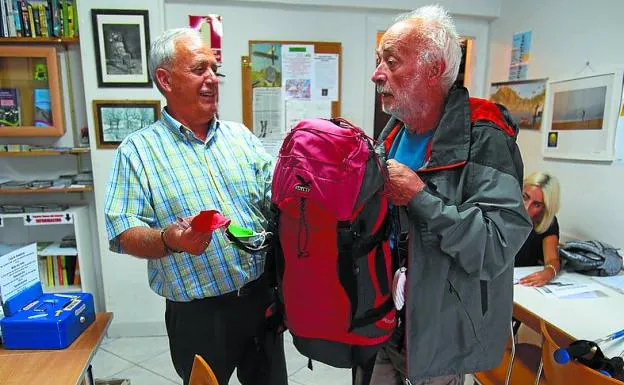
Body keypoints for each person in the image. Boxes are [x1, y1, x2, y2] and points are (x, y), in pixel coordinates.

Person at [104, 28, 286, 385]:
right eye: (199, 69)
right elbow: (124, 233)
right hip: (199, 317)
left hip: (260, 299)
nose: (212, 79)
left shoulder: (241, 137)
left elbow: (274, 199)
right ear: (165, 79)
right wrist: (170, 240)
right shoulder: (137, 151)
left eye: (215, 70)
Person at [368, 5, 533, 385]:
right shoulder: (391, 134)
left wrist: (419, 196)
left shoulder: (485, 136)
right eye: (379, 61)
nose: (377, 74)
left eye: (391, 62)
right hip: (383, 326)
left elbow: (494, 246)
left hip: (438, 342)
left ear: (434, 68)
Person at [515, 172, 561, 286]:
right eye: (525, 197)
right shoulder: (501, 211)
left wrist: (549, 272)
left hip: (521, 284)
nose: (526, 207)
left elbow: (552, 259)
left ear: (545, 208)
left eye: (536, 204)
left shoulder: (547, 222)